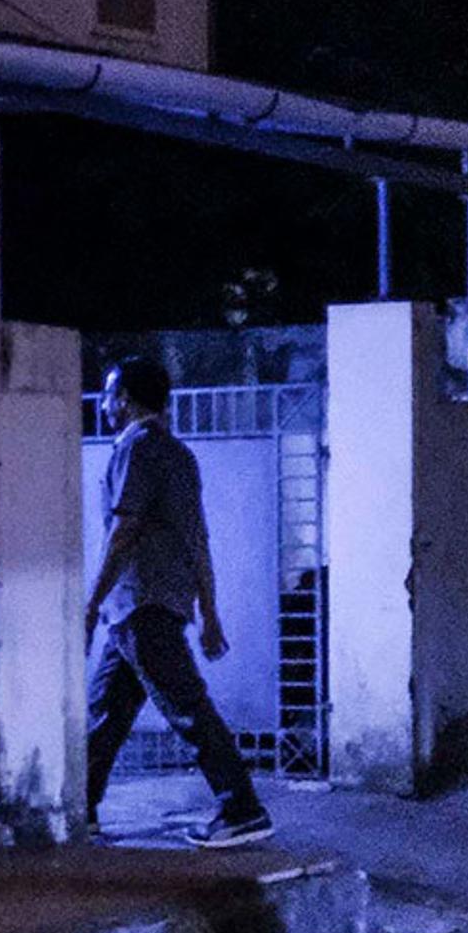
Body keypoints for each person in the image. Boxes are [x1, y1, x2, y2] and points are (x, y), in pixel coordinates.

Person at [82, 357, 275, 848]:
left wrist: (90, 603)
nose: (105, 405)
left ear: (123, 399)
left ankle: (242, 808)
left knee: (187, 710)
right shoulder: (179, 455)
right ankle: (80, 810)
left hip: (138, 604)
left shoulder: (137, 448)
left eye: (108, 395)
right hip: (155, 605)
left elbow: (123, 530)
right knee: (106, 712)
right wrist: (208, 612)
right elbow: (197, 539)